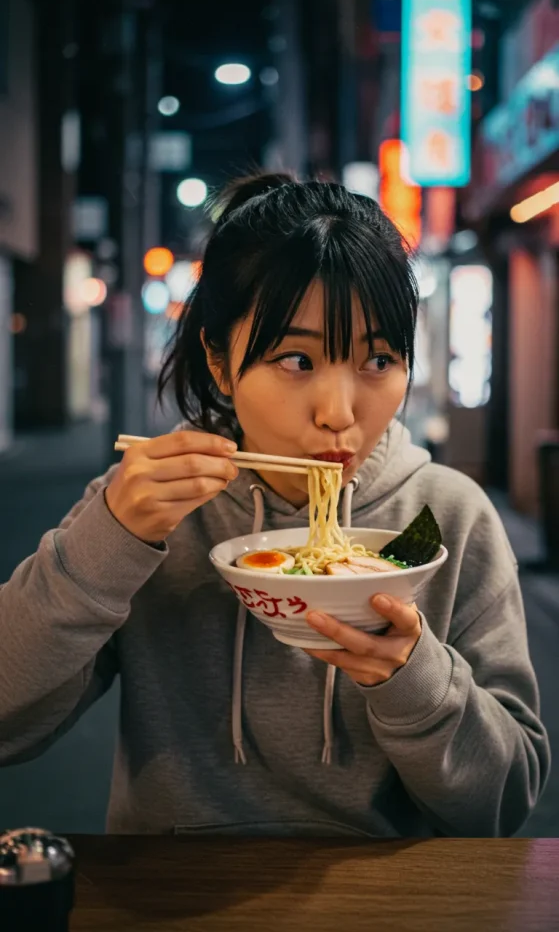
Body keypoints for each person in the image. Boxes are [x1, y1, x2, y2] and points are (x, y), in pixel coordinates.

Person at [0, 173, 550, 838]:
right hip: (175, 892)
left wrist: (414, 679)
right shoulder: (150, 511)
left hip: (385, 899)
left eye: (377, 359)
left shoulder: (442, 518)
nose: (339, 414)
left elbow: (502, 804)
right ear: (220, 360)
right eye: (295, 359)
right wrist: (105, 543)